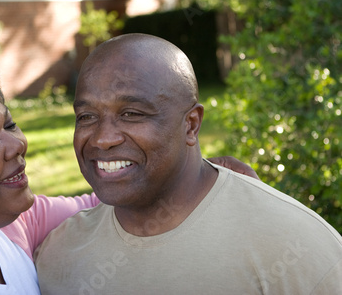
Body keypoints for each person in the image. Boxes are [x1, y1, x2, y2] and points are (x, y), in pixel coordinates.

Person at [0, 38, 257, 294]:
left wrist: (192, 172)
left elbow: (95, 206)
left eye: (9, 123)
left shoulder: (6, 227)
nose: (18, 144)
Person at [34, 33, 342, 294]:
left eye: (132, 114)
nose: (103, 139)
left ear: (191, 125)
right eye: (87, 117)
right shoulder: (60, 257)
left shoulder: (295, 246)